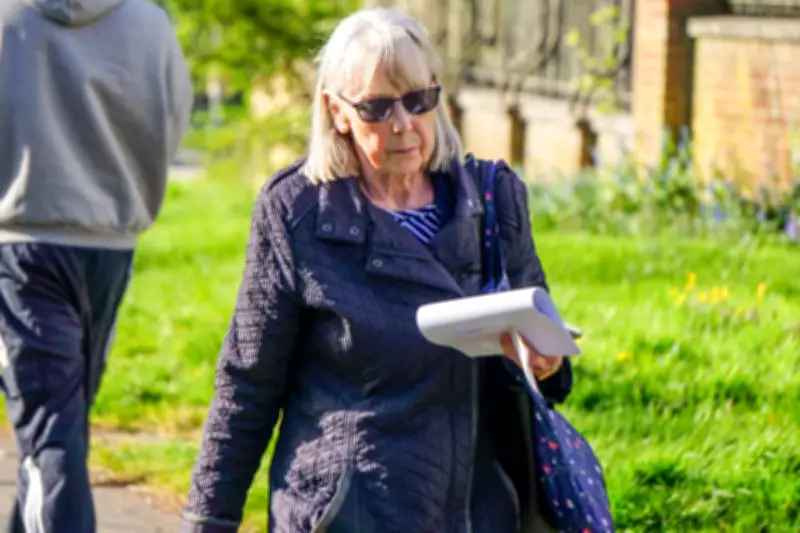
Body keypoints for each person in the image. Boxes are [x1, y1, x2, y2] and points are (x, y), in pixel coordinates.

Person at [182, 7, 572, 533]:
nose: (403, 124)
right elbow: (248, 383)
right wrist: (208, 520)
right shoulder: (297, 213)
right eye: (377, 107)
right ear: (337, 111)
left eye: (418, 100)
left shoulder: (493, 201)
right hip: (349, 513)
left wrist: (544, 363)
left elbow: (545, 356)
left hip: (475, 512)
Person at [0, 0, 193, 531]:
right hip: (111, 245)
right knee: (57, 432)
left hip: (21, 244)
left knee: (50, 436)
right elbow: (174, 119)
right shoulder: (150, 22)